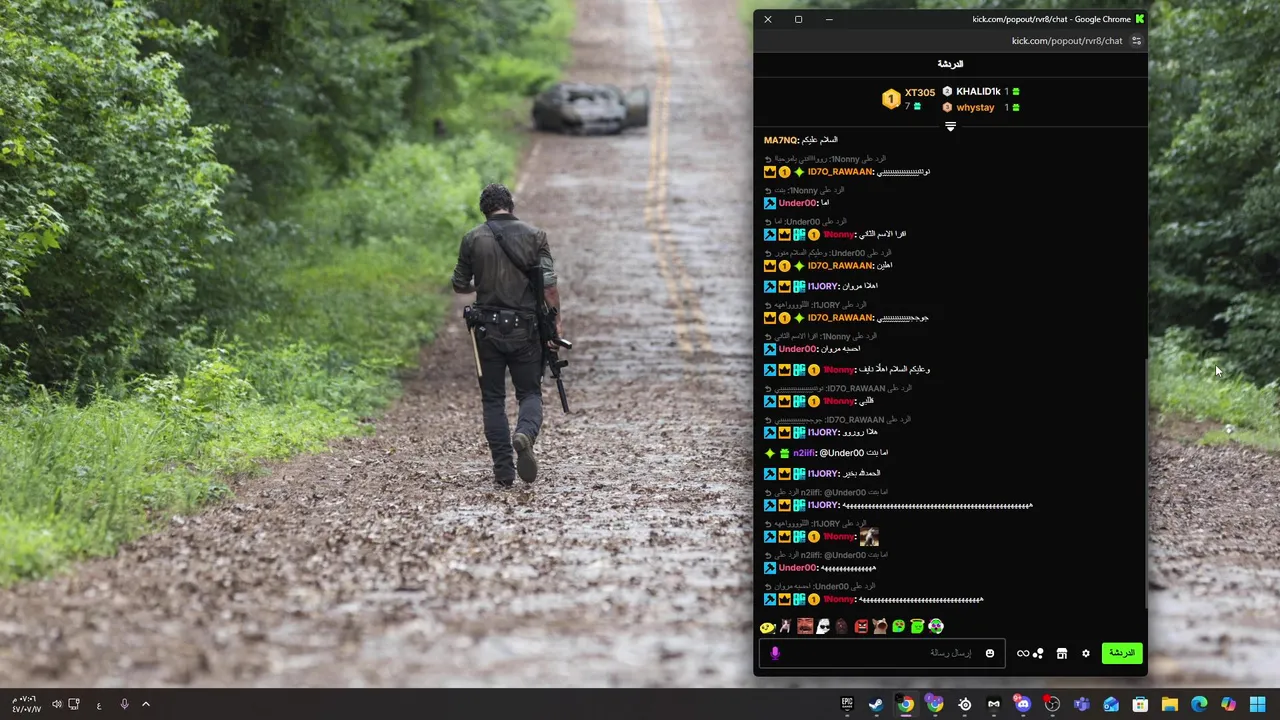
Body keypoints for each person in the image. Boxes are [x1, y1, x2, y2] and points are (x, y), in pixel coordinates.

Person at [452, 183, 562, 487]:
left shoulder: (472, 238)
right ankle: (524, 433)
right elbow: (549, 287)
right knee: (530, 393)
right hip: (525, 329)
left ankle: (503, 470)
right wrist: (555, 324)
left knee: (492, 400)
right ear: (510, 205)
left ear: (484, 210)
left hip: (486, 330)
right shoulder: (535, 236)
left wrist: (481, 285)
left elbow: (459, 284)